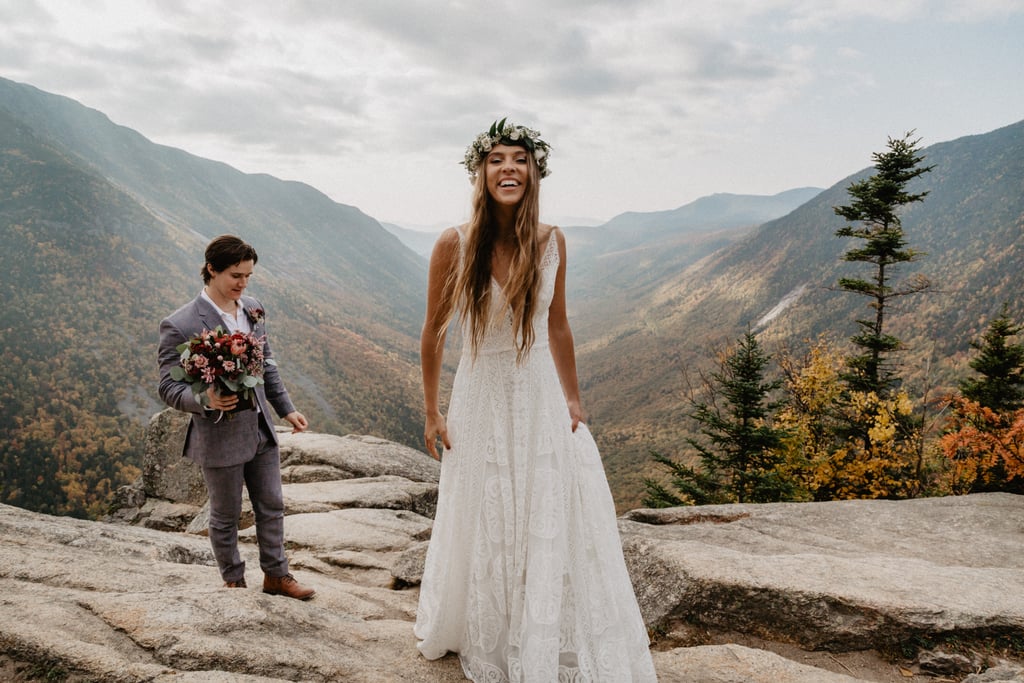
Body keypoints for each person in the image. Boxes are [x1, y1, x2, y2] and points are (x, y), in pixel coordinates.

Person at [414, 120, 657, 681]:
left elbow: (559, 325)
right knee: (486, 505)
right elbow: (433, 332)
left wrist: (573, 399)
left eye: (519, 160)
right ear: (481, 173)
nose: (508, 168)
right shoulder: (455, 243)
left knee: (543, 504)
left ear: (534, 173)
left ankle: (539, 628)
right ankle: (484, 627)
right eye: (496, 159)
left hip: (538, 390)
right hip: (479, 392)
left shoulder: (552, 241)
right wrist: (432, 411)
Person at [158, 234, 315, 600]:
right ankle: (233, 581)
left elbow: (267, 365)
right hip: (218, 434)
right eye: (235, 276)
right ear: (211, 270)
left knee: (272, 505)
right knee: (225, 514)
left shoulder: (253, 309)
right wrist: (206, 399)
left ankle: (277, 575)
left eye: (248, 276)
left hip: (260, 427)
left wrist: (286, 409)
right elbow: (167, 387)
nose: (243, 284)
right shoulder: (180, 323)